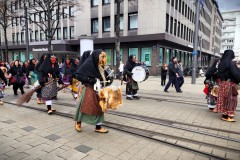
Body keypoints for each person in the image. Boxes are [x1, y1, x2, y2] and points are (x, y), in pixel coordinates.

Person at [74, 49, 109, 133]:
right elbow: (78, 75)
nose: (103, 60)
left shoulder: (100, 65)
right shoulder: (88, 64)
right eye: (101, 57)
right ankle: (78, 122)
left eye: (104, 57)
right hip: (89, 89)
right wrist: (90, 79)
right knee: (84, 107)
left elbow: (104, 75)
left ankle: (98, 127)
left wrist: (108, 78)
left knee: (100, 107)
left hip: (99, 90)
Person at [214, 50, 240, 122]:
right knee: (231, 99)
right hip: (230, 84)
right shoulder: (231, 63)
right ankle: (229, 116)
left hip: (222, 84)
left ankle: (224, 115)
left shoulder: (221, 63)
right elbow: (236, 73)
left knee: (224, 100)